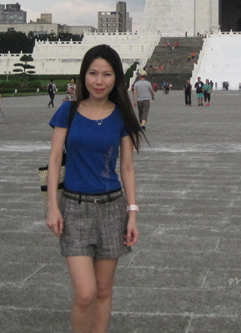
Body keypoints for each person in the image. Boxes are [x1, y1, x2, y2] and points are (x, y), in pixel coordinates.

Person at [45, 44, 145, 333]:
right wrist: (52, 207)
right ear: (83, 76)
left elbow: (126, 167)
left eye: (106, 74)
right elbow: (53, 160)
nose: (99, 81)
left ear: (116, 79)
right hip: (74, 209)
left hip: (112, 209)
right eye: (93, 73)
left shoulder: (122, 116)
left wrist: (133, 213)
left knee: (103, 291)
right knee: (85, 293)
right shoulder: (69, 111)